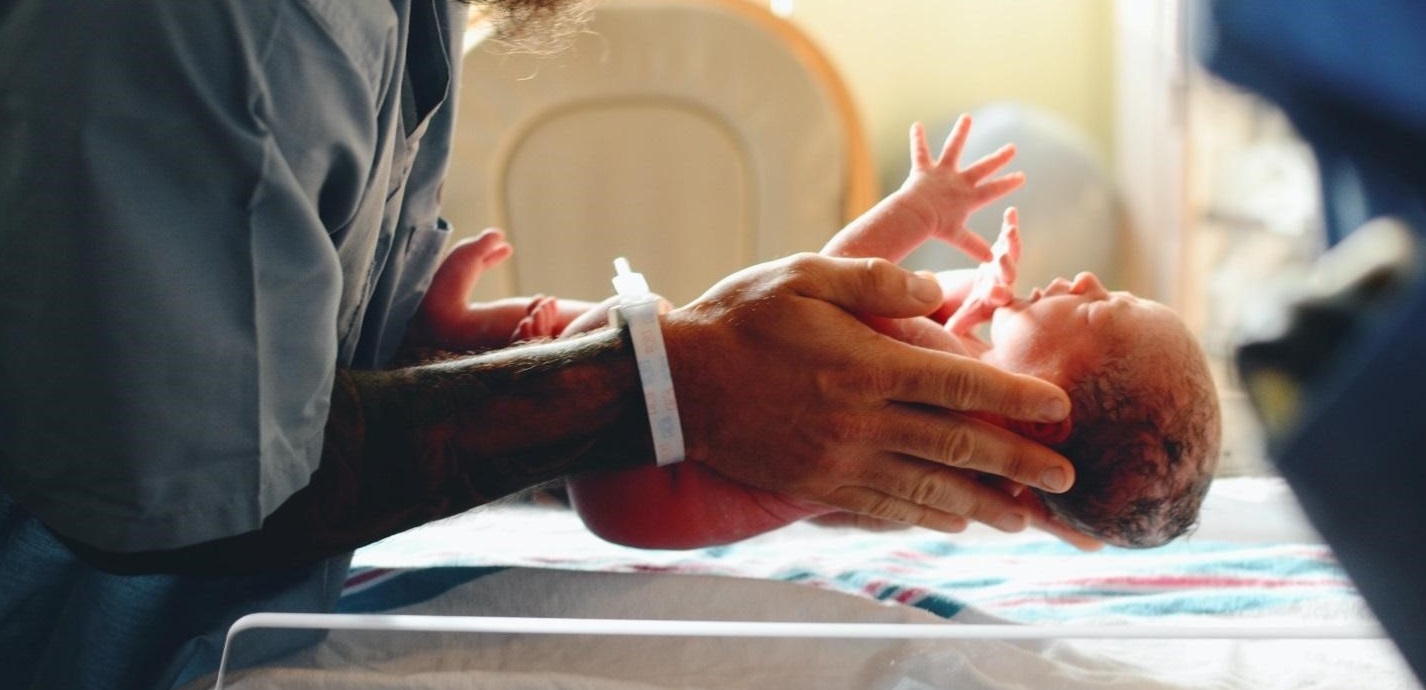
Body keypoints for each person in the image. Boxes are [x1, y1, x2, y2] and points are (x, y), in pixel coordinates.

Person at [0, 2, 1078, 688]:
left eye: (1104, 312)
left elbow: (221, 357)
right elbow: (193, 484)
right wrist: (668, 381)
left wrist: (402, 353)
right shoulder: (231, 27)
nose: (1077, 285)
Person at [559, 119, 1222, 550]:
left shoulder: (948, 388)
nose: (1085, 279)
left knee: (601, 325)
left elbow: (826, 294)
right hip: (647, 496)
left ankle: (494, 333)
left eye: (1096, 312)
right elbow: (1086, 532)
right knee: (590, 327)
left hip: (651, 472)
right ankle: (488, 330)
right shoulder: (987, 462)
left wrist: (920, 208)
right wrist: (977, 302)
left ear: (1047, 416)